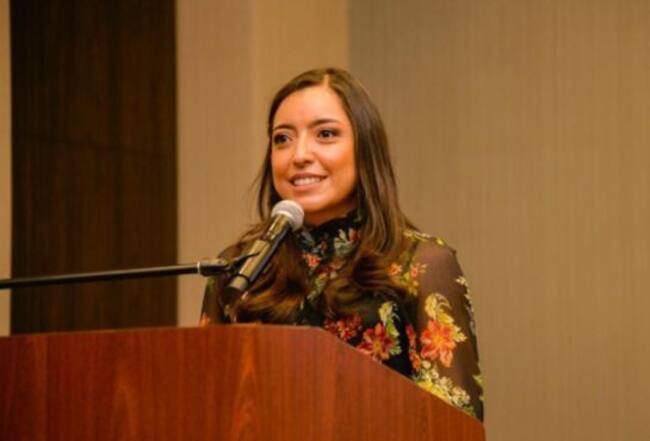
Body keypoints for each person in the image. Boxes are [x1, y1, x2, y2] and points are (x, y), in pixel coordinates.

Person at [200, 67, 484, 420]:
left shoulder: (422, 263)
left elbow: (454, 419)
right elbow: (206, 406)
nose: (299, 155)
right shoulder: (238, 269)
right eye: (282, 139)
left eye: (325, 134)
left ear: (365, 150)